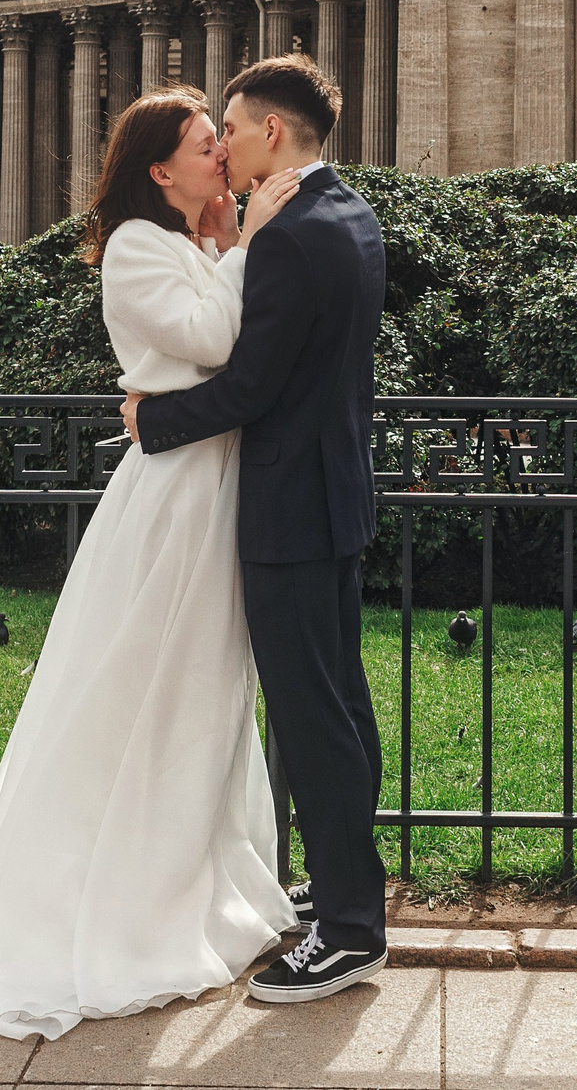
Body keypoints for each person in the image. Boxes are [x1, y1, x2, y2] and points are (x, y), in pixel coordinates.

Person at [0, 87, 304, 1041]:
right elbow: (214, 342)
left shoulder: (193, 242)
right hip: (175, 501)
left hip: (206, 484)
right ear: (161, 170)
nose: (220, 156)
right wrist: (251, 240)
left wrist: (229, 241)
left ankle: (185, 874)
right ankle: (117, 893)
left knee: (200, 689)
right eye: (203, 144)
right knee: (143, 686)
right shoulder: (141, 246)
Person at [122, 53, 390, 1005]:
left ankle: (351, 929)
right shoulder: (350, 213)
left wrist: (153, 421)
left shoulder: (287, 237)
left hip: (288, 507)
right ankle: (347, 891)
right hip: (334, 496)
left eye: (230, 128)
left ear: (272, 132)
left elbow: (250, 387)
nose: (223, 143)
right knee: (340, 705)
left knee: (314, 717)